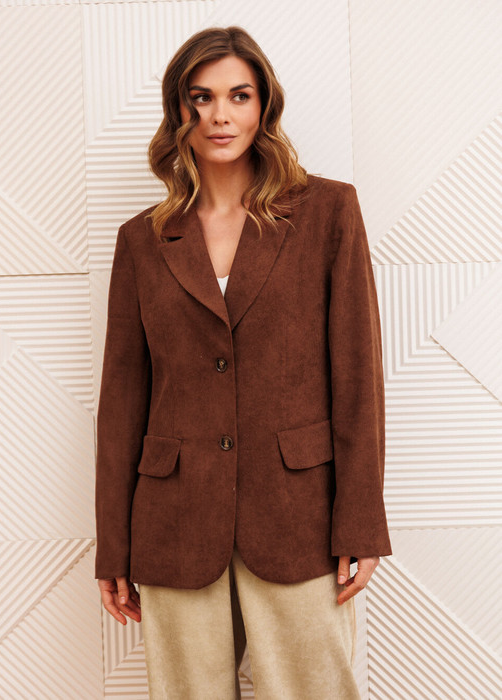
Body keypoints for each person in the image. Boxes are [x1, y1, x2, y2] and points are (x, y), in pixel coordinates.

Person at [94, 25, 392, 700]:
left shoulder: (327, 212)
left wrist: (360, 521)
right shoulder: (142, 240)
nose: (219, 115)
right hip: (173, 519)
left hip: (298, 515)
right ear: (179, 109)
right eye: (200, 97)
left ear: (264, 106)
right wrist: (113, 543)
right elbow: (122, 400)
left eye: (239, 95)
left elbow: (357, 380)